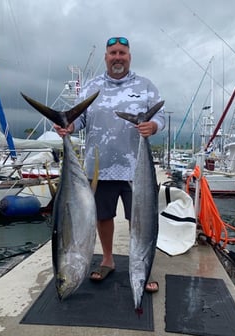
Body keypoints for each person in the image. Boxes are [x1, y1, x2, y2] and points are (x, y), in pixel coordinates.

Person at [55, 36, 165, 292]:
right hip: (98, 167)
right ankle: (107, 260)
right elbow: (79, 120)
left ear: (129, 56)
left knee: (142, 220)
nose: (117, 57)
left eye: (122, 53)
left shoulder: (146, 85)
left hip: (137, 169)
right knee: (103, 217)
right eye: (113, 53)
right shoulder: (91, 86)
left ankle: (142, 267)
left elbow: (160, 117)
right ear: (106, 57)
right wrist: (68, 126)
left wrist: (154, 125)